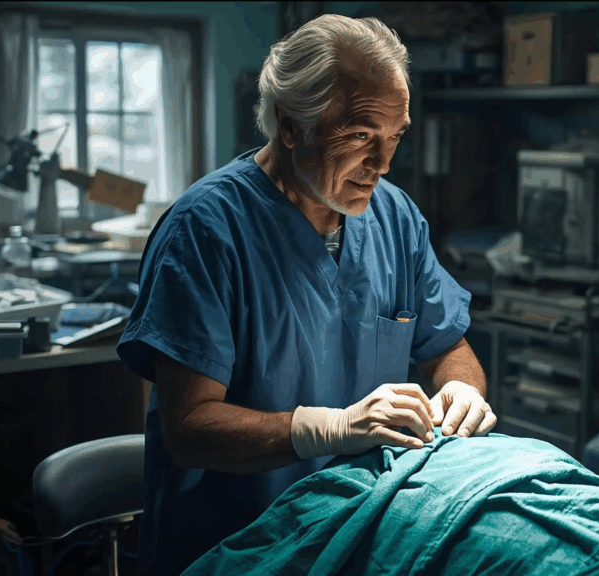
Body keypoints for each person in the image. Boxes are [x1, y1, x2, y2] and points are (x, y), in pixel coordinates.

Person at [117, 14, 497, 576]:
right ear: (290, 125)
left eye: (395, 137)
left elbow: (446, 345)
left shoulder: (394, 217)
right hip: (235, 546)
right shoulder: (206, 230)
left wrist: (462, 392)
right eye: (362, 134)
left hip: (354, 532)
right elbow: (189, 430)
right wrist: (331, 429)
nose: (383, 163)